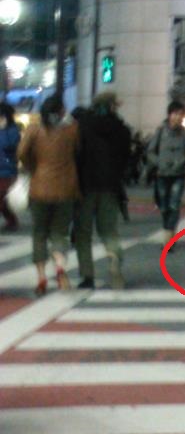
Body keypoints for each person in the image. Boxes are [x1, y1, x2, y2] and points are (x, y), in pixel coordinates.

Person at [18, 95, 80, 296]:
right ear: (61, 111)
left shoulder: (34, 130)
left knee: (39, 234)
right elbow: (79, 151)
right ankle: (60, 267)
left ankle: (42, 277)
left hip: (39, 188)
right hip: (65, 189)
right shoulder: (72, 131)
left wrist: (32, 167)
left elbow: (21, 153)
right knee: (59, 233)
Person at [75, 92, 132, 289]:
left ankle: (87, 275)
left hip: (86, 187)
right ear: (111, 106)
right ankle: (114, 262)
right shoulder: (121, 129)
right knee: (109, 231)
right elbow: (127, 159)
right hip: (111, 186)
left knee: (83, 233)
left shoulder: (83, 126)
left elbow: (77, 155)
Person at [147, 100, 185, 247]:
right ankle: (168, 230)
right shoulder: (160, 131)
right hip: (162, 174)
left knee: (174, 205)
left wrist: (183, 161)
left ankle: (169, 235)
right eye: (175, 114)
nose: (177, 117)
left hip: (178, 174)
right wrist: (158, 162)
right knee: (163, 206)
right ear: (169, 115)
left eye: (181, 114)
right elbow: (150, 151)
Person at [0, 102, 21, 232]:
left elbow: (10, 145)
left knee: (2, 199)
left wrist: (3, 130)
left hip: (7, 170)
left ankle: (12, 220)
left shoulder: (13, 130)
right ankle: (11, 220)